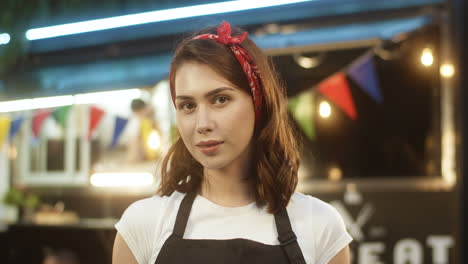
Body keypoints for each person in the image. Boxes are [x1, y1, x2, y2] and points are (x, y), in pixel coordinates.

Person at [113, 21, 352, 264]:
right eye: (188, 105)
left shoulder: (320, 226)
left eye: (220, 99)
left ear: (259, 103)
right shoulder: (142, 226)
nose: (202, 123)